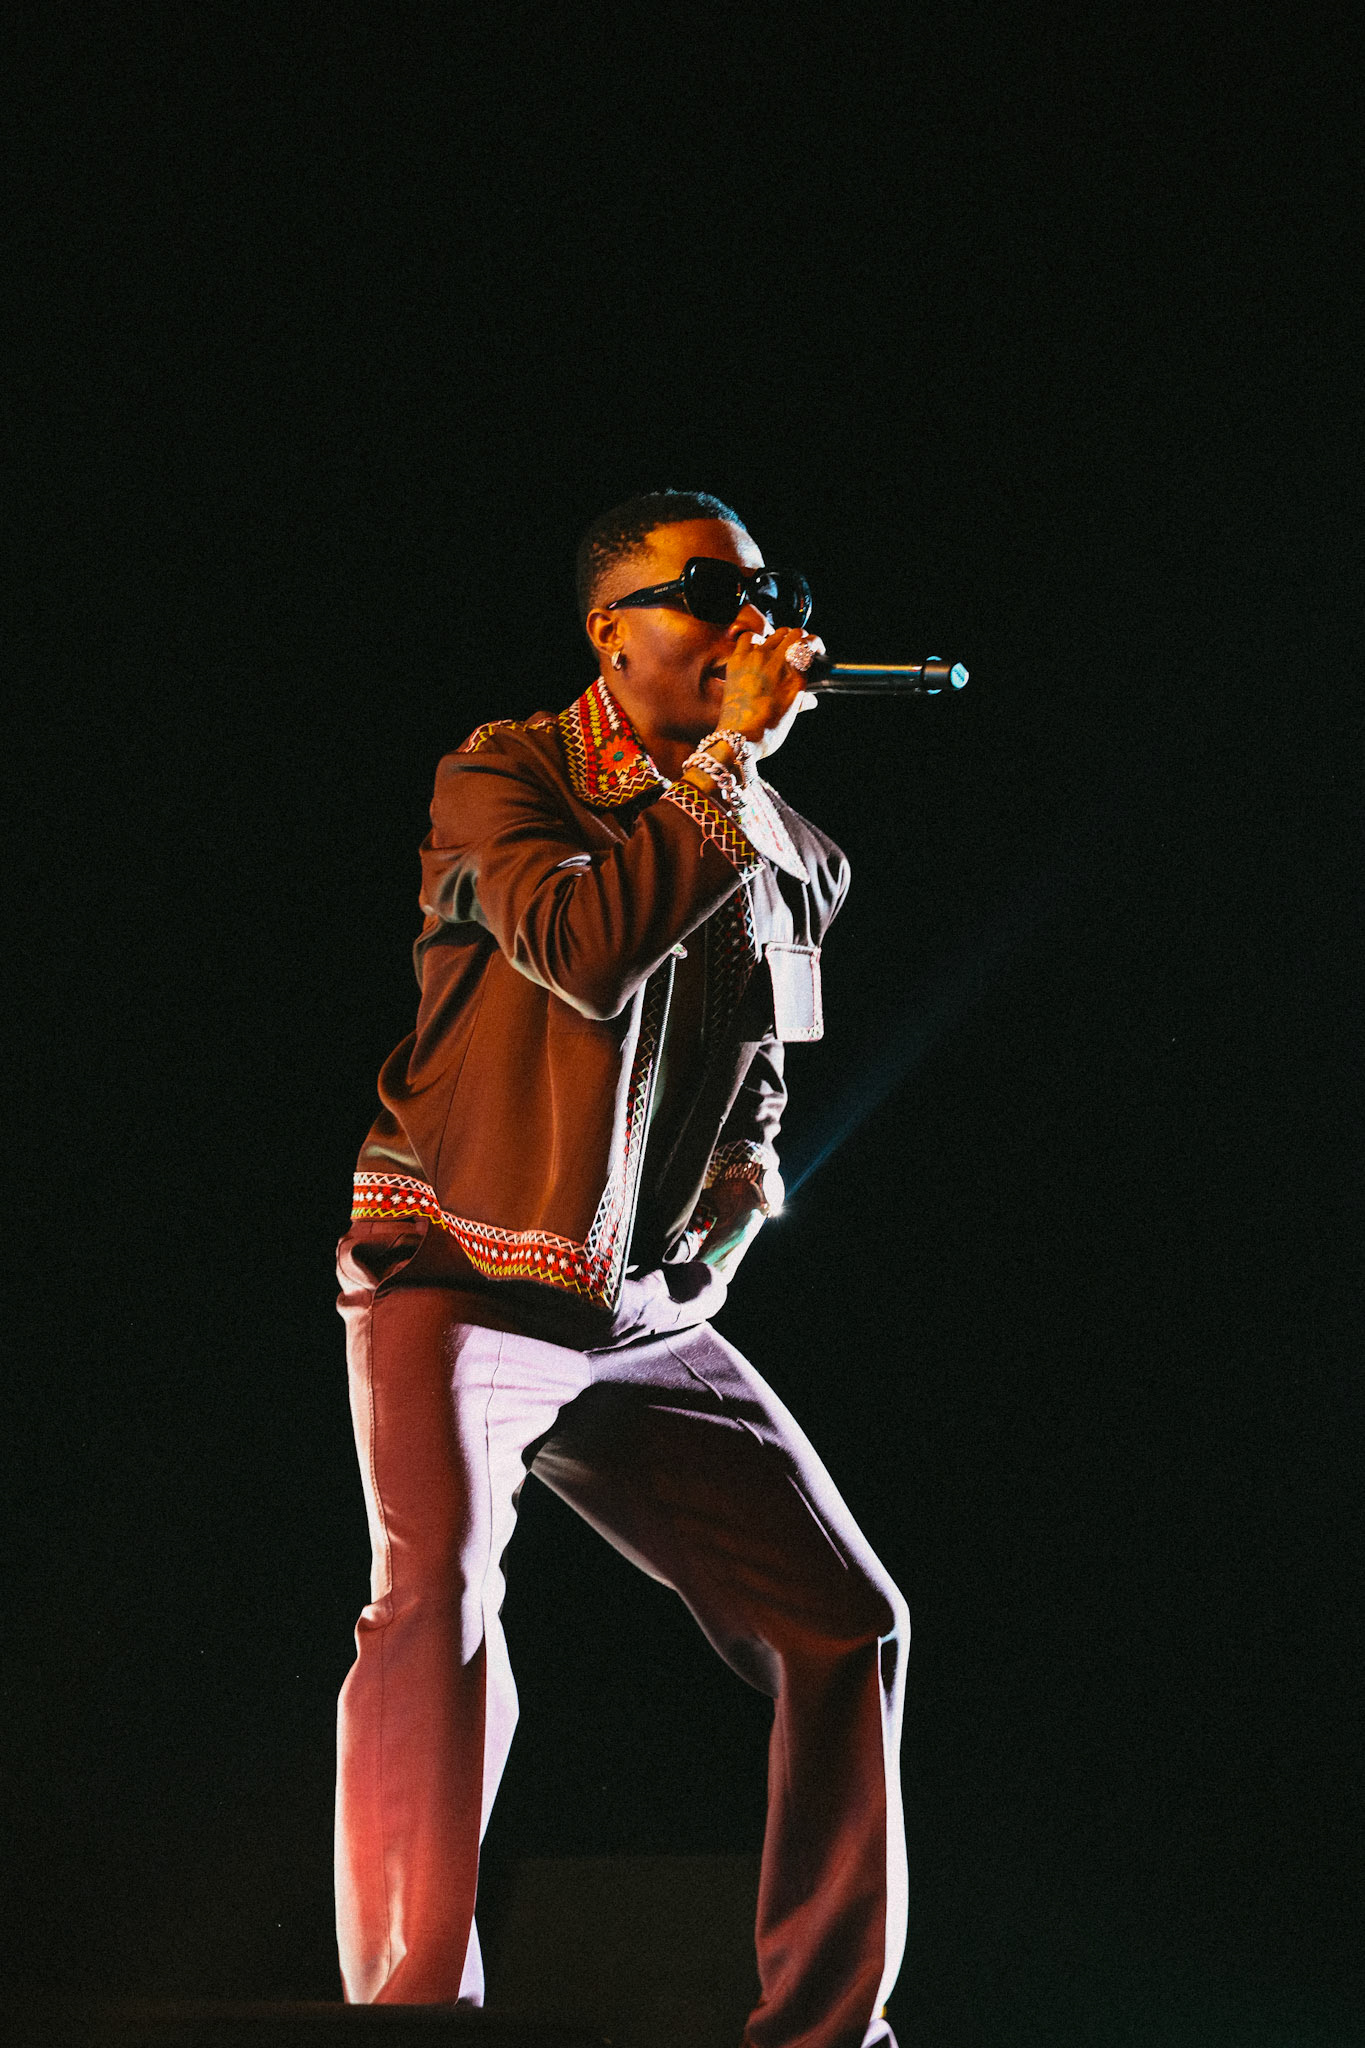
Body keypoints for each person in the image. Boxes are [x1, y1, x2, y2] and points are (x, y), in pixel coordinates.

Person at [334, 490, 909, 2048]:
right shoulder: (504, 774)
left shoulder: (796, 851)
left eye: (768, 595)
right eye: (706, 591)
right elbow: (582, 948)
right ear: (611, 629)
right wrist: (724, 765)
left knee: (844, 1624)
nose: (747, 622)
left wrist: (744, 1184)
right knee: (435, 1604)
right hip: (460, 1267)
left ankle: (827, 2034)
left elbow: (768, 1059)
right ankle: (411, 2017)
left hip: (641, 1314)